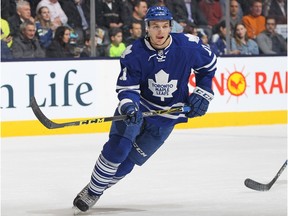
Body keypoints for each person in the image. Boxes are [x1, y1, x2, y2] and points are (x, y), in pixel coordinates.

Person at [73, 6, 217, 213]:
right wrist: (130, 106)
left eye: (165, 26)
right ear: (147, 27)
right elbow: (127, 88)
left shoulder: (189, 46)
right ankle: (93, 192)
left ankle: (97, 186)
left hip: (168, 117)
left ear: (170, 27)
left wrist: (203, 92)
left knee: (130, 162)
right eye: (155, 26)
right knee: (118, 148)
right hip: (139, 109)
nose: (160, 31)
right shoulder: (134, 53)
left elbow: (208, 68)